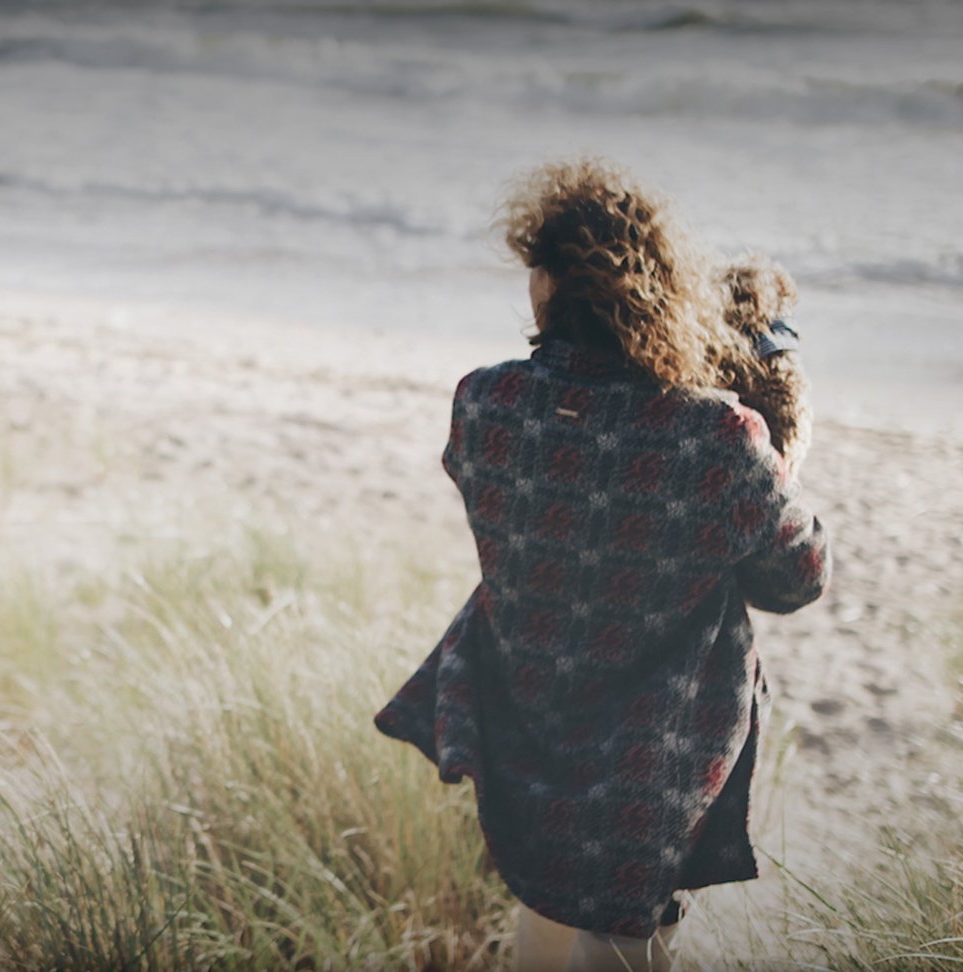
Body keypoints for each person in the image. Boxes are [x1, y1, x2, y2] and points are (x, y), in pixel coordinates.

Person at [372, 158, 831, 972]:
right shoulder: (716, 436)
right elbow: (798, 579)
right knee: (627, 940)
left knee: (543, 907)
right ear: (658, 285)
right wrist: (780, 463)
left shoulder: (483, 402)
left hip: (526, 708)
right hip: (656, 743)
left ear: (546, 283)